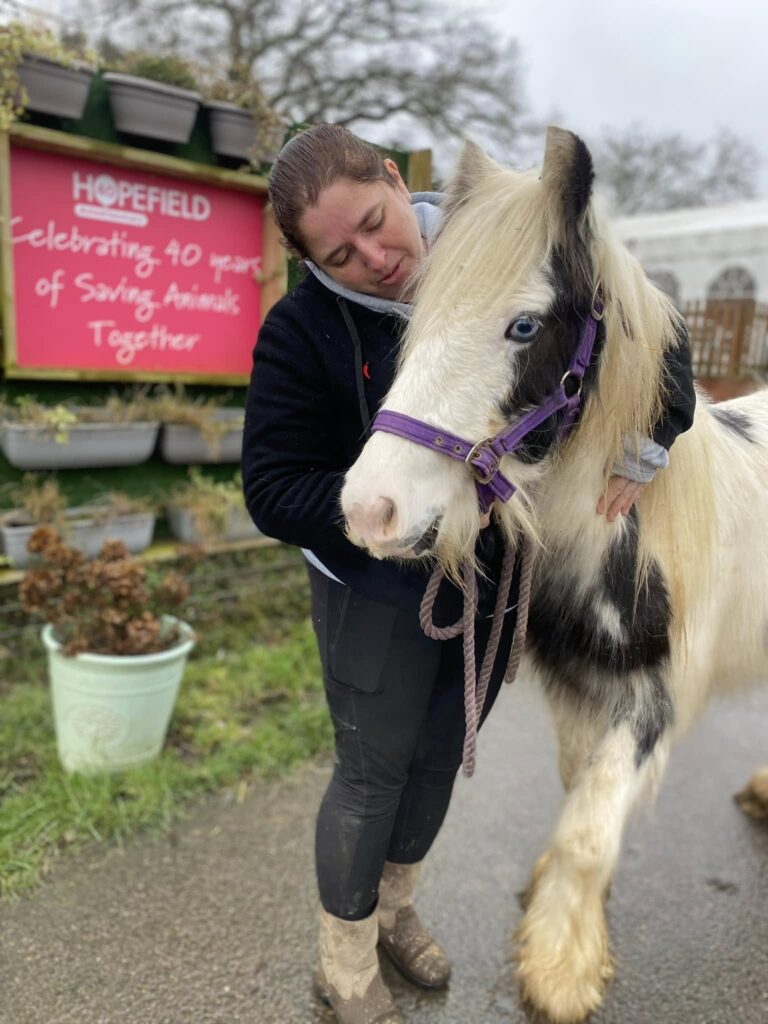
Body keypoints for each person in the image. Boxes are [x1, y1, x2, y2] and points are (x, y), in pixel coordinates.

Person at [241, 124, 696, 1024]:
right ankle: (345, 959)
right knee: (373, 773)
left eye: (377, 221)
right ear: (310, 260)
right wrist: (382, 509)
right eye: (340, 252)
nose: (376, 258)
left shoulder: (496, 250)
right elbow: (270, 486)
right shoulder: (301, 332)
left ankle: (396, 912)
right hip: (371, 586)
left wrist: (652, 441)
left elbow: (645, 335)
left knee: (440, 759)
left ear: (393, 180)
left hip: (489, 584)